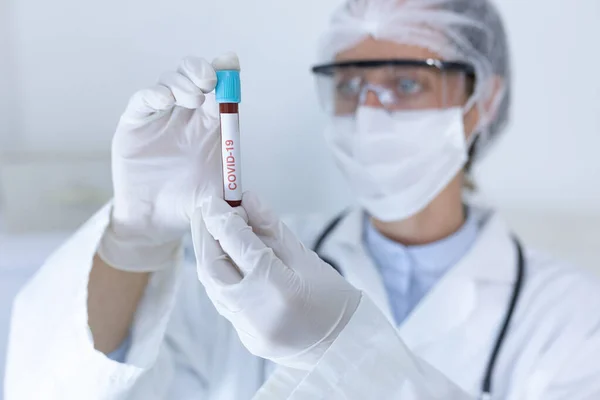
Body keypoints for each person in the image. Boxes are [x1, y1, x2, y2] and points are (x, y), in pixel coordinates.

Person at [5, 0, 600, 398]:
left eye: (407, 81)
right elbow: (56, 388)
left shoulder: (570, 318)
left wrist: (338, 345)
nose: (370, 109)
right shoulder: (244, 265)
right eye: (349, 84)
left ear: (484, 99)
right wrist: (137, 236)